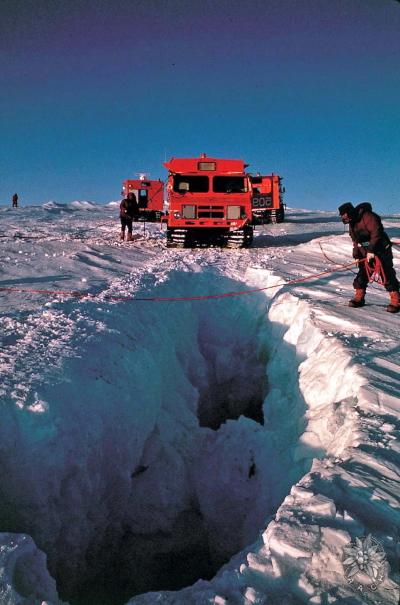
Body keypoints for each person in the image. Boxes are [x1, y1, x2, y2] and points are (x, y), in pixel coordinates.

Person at [338, 201, 400, 313]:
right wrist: (357, 255)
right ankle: (359, 298)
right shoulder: (352, 222)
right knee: (362, 274)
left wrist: (371, 250)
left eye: (344, 215)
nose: (343, 218)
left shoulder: (368, 216)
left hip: (381, 250)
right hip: (366, 253)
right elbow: (355, 241)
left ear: (349, 213)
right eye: (342, 216)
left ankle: (396, 301)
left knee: (386, 274)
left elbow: (377, 233)